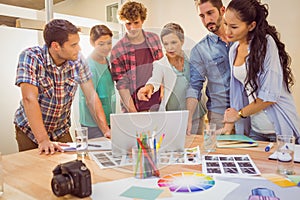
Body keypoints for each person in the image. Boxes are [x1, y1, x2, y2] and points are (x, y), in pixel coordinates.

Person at [14, 19, 110, 155]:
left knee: (69, 170)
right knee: (36, 172)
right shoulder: (31, 57)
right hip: (30, 131)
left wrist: (105, 130)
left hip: (60, 130)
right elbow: (29, 99)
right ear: (56, 46)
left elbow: (91, 96)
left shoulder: (78, 60)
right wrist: (43, 140)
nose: (79, 49)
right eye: (73, 45)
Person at [222, 0, 300, 143]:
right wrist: (229, 124)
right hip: (255, 128)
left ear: (251, 26)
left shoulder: (266, 44)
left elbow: (269, 97)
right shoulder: (233, 50)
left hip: (277, 129)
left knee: (282, 165)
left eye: (233, 26)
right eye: (225, 24)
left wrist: (238, 114)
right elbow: (237, 94)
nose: (227, 31)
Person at [137, 23, 206, 134]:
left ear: (182, 40)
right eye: (166, 44)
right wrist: (148, 87)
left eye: (174, 42)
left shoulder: (192, 57)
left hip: (196, 113)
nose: (170, 47)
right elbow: (154, 80)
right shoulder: (160, 64)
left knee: (196, 146)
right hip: (174, 115)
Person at [186, 0, 231, 134]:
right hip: (219, 115)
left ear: (222, 10)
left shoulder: (241, 39)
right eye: (202, 16)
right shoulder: (199, 50)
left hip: (247, 111)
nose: (207, 20)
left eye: (210, 13)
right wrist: (188, 118)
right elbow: (194, 86)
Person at [110, 1, 163, 113]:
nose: (132, 28)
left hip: (158, 105)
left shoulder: (154, 39)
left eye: (136, 23)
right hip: (134, 107)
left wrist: (163, 97)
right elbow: (122, 86)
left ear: (142, 20)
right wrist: (134, 113)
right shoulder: (117, 50)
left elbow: (162, 69)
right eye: (128, 24)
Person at [79, 25, 116, 139]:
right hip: (93, 123)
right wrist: (105, 129)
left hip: (109, 118)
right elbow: (91, 100)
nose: (106, 47)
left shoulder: (109, 61)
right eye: (101, 44)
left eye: (109, 43)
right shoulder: (88, 66)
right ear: (92, 43)